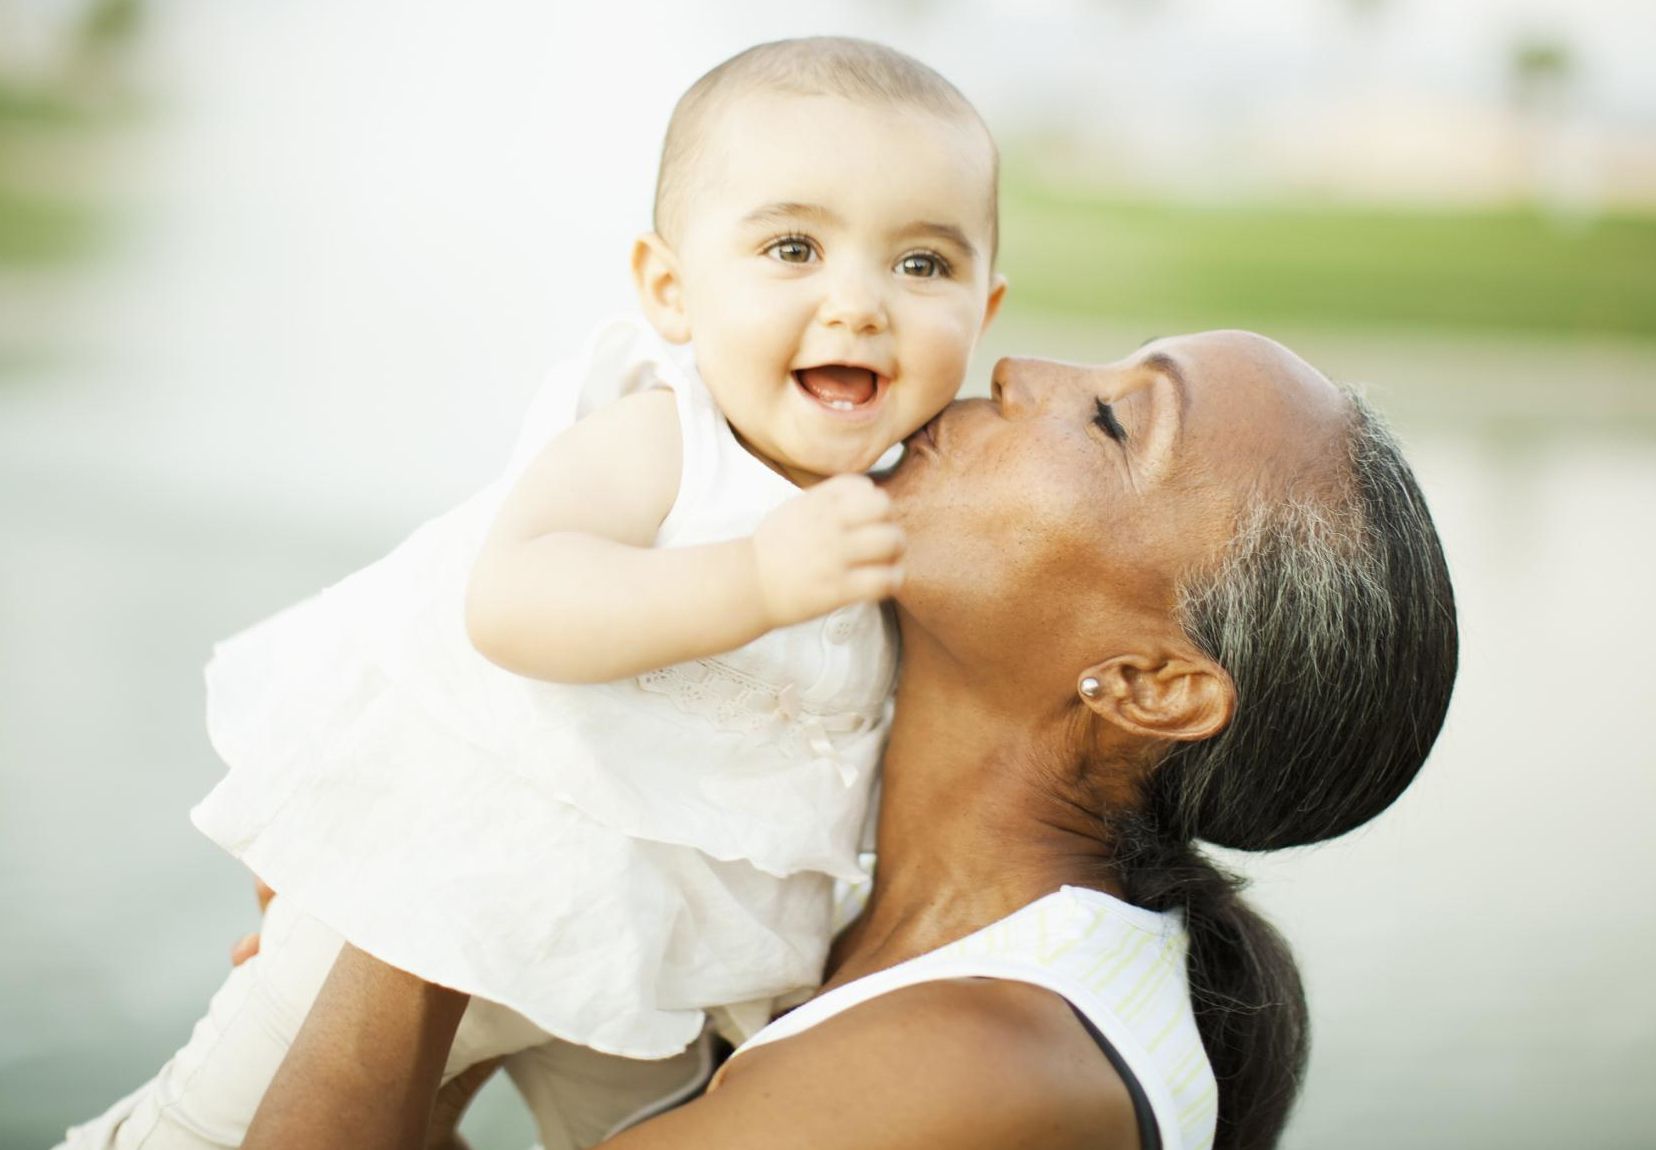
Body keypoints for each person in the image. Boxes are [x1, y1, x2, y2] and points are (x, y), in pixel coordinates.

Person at [57, 36, 1007, 1150]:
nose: (857, 304)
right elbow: (515, 601)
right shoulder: (662, 438)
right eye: (793, 247)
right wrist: (754, 577)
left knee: (682, 1129)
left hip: (664, 952)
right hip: (447, 872)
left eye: (922, 265)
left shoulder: (902, 508)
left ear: (985, 309)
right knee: (222, 1123)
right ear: (672, 289)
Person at [237, 333, 1461, 1150]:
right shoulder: (810, 900)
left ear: (1149, 684)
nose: (1021, 367)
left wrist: (408, 874)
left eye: (1109, 423)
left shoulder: (985, 1063)